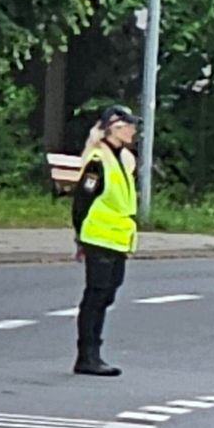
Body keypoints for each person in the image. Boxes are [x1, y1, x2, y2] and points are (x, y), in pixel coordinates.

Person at [71, 104, 141, 377]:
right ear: (115, 127)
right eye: (129, 124)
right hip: (98, 238)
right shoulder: (98, 161)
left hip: (116, 240)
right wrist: (80, 238)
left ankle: (91, 354)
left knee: (108, 293)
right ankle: (87, 355)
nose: (134, 130)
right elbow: (82, 202)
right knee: (96, 296)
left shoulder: (122, 159)